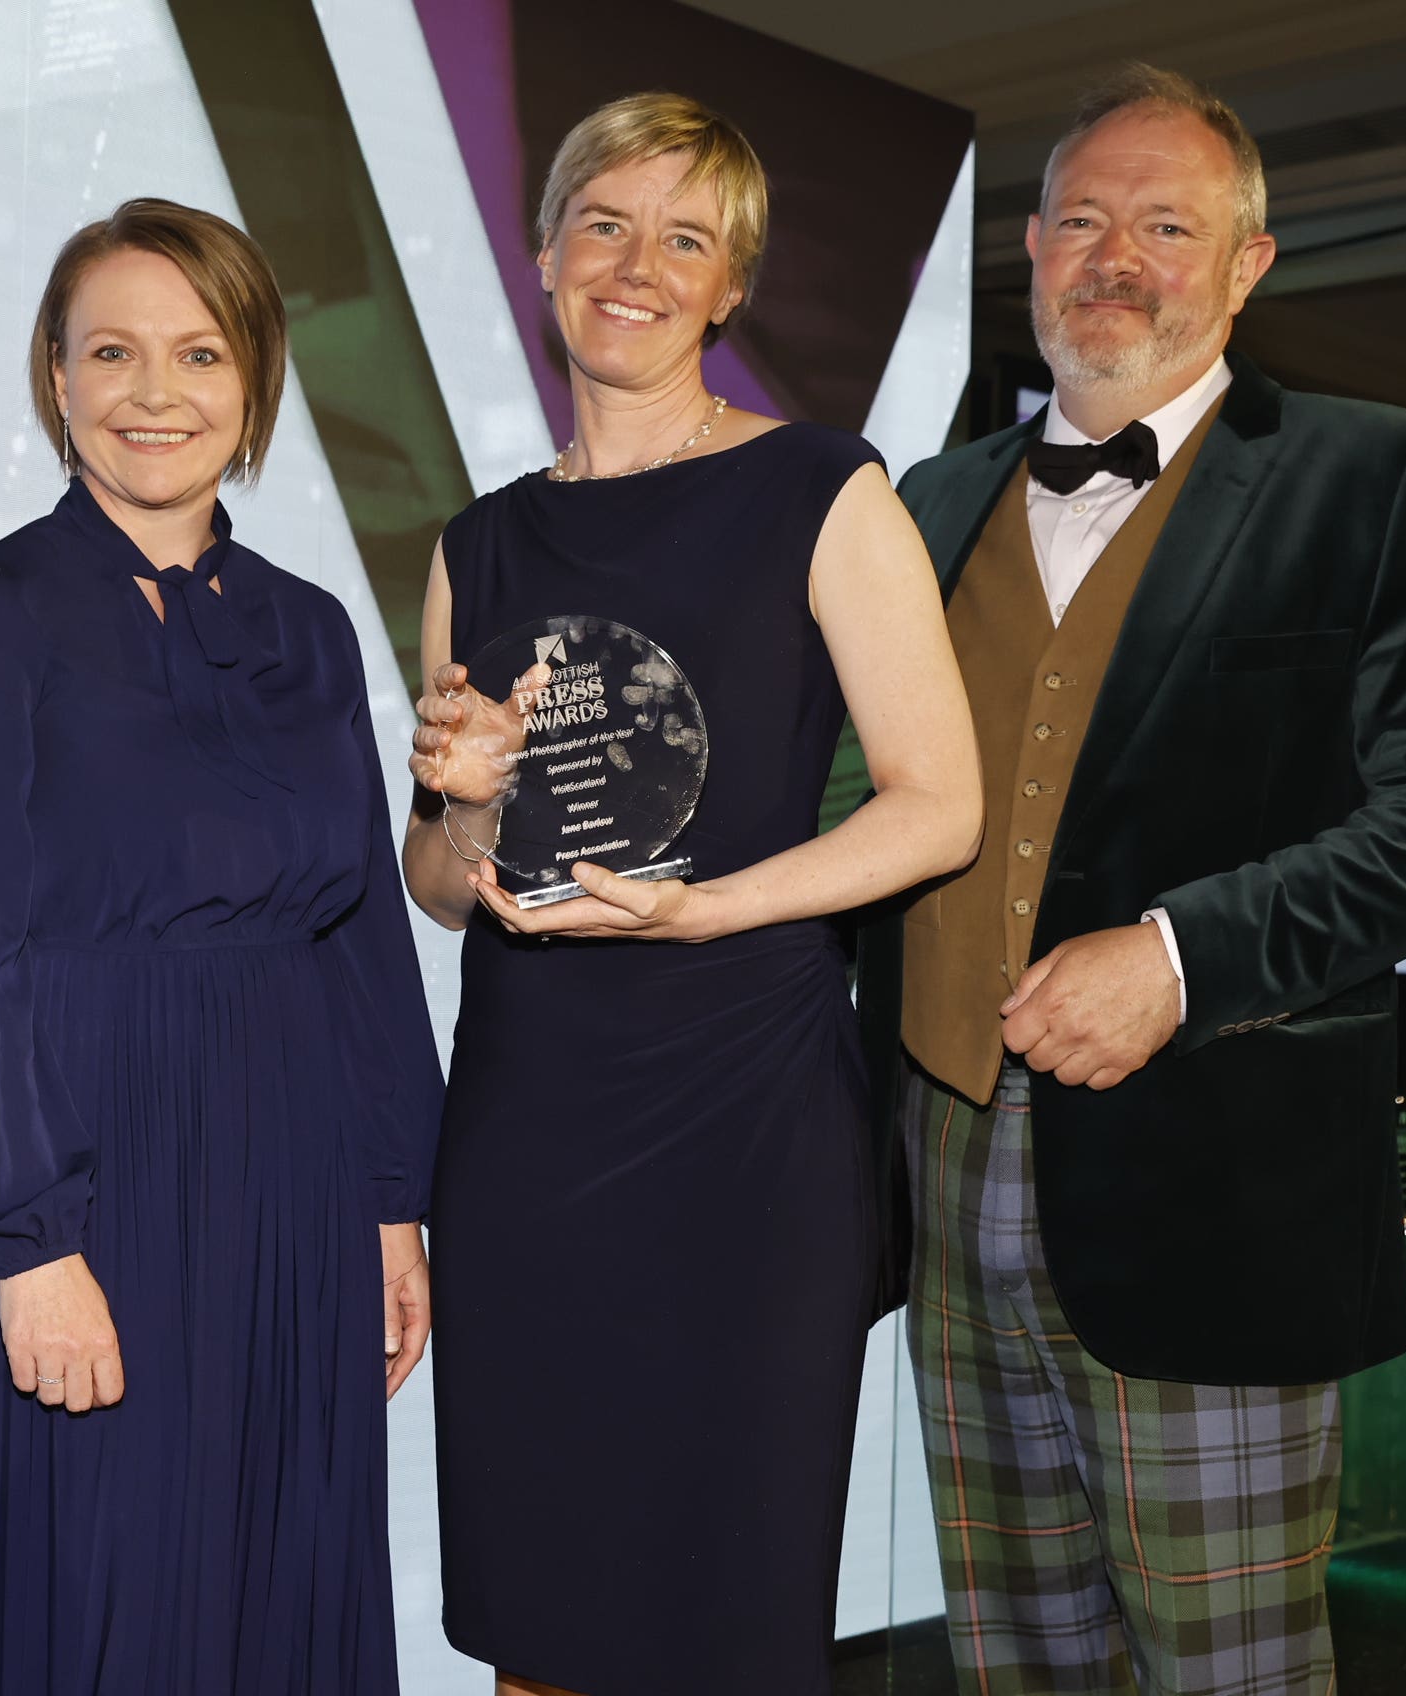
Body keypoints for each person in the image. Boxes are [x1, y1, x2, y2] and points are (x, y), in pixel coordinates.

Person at [855, 64, 1406, 1696]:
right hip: (944, 1173)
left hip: (1215, 1191)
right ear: (1028, 248)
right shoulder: (926, 505)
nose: (1117, 255)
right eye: (1084, 218)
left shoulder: (1383, 472)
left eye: (1169, 224)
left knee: (1223, 1669)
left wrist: (1181, 955)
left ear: (1249, 265)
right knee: (1015, 1660)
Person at [402, 93, 984, 1696]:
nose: (636, 266)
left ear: (731, 288)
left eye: (686, 239)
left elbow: (943, 811)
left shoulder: (823, 492)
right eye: (603, 222)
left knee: (723, 1620)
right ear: (543, 257)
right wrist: (461, 807)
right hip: (529, 1136)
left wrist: (705, 908)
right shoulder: (479, 545)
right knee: (539, 1615)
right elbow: (442, 890)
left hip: (746, 1133)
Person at [0, 197, 444, 1696]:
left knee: (261, 1585)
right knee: (82, 1602)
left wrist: (387, 1203)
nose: (156, 393)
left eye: (199, 352)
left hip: (286, 1195)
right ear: (55, 379)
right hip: (73, 1189)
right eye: (112, 351)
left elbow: (359, 923)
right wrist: (25, 1244)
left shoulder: (307, 631)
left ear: (255, 385)